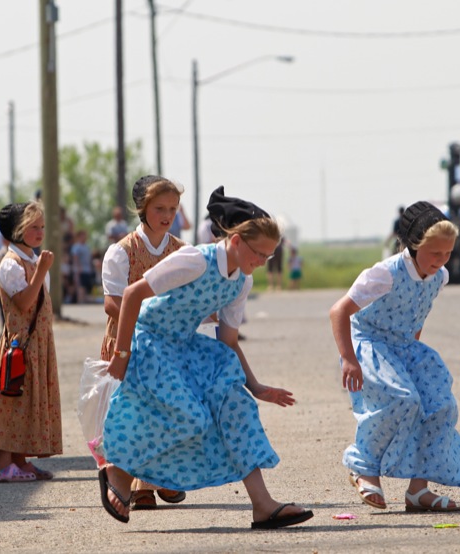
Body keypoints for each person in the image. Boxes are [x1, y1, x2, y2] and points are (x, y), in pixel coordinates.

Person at [98, 186, 314, 530]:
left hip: (186, 346)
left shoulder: (241, 281)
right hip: (152, 340)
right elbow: (132, 294)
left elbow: (228, 340)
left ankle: (263, 505)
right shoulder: (196, 259)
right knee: (190, 417)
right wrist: (122, 354)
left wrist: (255, 387)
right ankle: (118, 472)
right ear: (237, 241)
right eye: (259, 253)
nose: (260, 262)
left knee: (236, 406)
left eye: (268, 257)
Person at [329, 200, 460, 513]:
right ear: (414, 245)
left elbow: (417, 315)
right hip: (370, 341)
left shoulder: (440, 277)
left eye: (447, 253)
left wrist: (412, 360)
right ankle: (364, 467)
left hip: (405, 348)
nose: (441, 261)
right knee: (402, 398)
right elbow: (339, 311)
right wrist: (348, 358)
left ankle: (418, 490)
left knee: (439, 406)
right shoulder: (385, 274)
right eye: (435, 253)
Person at [100, 175, 187, 510]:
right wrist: (145, 319)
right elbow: (111, 301)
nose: (167, 215)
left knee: (164, 409)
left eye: (173, 209)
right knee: (133, 412)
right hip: (127, 340)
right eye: (159, 208)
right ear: (142, 209)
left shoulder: (181, 251)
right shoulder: (121, 252)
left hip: (165, 344)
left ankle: (150, 480)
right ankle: (143, 481)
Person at [0, 201, 62, 482]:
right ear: (17, 230)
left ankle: (21, 459)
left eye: (42, 226)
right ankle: (2, 464)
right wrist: (40, 271)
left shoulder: (31, 260)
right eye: (33, 227)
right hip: (20, 346)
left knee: (29, 401)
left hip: (37, 344)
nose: (40, 232)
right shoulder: (10, 264)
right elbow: (25, 302)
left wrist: (39, 268)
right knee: (13, 400)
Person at [71, 229, 95, 303]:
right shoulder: (76, 247)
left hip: (87, 269)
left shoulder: (87, 246)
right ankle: (80, 301)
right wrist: (78, 268)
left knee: (86, 286)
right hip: (80, 270)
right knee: (81, 286)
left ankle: (84, 301)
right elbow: (75, 257)